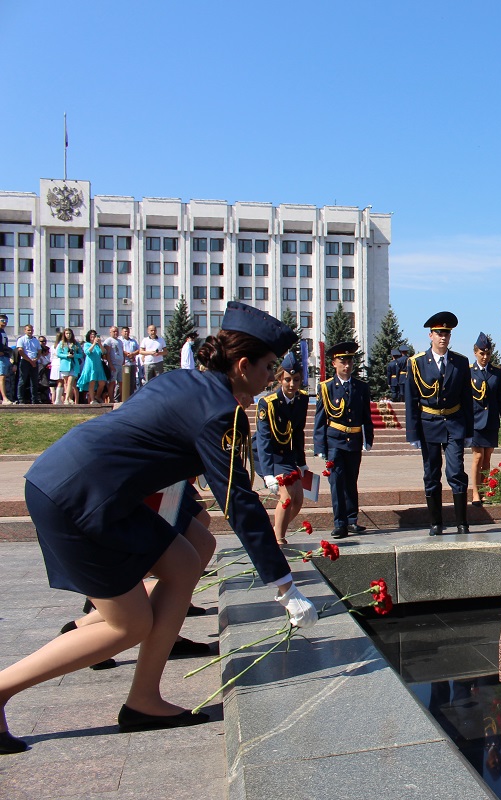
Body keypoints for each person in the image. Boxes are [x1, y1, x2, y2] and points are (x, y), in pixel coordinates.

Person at [0, 301, 317, 754]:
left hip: (88, 484)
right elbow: (239, 502)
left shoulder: (185, 381)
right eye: (269, 368)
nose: (272, 378)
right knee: (126, 627)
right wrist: (285, 586)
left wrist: (180, 523)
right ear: (243, 365)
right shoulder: (219, 412)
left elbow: (157, 458)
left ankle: (144, 698)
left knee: (189, 555)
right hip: (78, 498)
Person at [406, 312, 473, 536]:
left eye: (447, 333)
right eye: (439, 333)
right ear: (430, 335)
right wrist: (413, 432)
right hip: (429, 423)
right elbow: (411, 399)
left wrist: (469, 432)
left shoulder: (461, 362)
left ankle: (462, 522)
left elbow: (466, 399)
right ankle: (436, 523)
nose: (443, 337)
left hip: (454, 422)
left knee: (456, 472)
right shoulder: (416, 363)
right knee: (432, 473)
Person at [313, 342, 373, 540]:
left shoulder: (361, 387)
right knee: (336, 481)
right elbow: (320, 419)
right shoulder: (326, 387)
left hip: (354, 440)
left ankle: (352, 519)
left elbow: (366, 416)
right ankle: (340, 523)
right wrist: (320, 446)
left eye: (349, 361)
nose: (347, 365)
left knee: (351, 481)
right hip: (335, 441)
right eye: (342, 361)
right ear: (334, 363)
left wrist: (368, 438)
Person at [257, 352, 311, 547]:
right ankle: (278, 540)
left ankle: (275, 531)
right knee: (286, 497)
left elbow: (298, 432)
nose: (292, 384)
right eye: (287, 379)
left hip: (286, 454)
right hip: (269, 454)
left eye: (296, 380)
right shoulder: (268, 403)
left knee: (298, 499)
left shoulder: (301, 400)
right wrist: (267, 474)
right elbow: (263, 439)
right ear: (280, 379)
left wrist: (302, 462)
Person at [468, 333, 501, 507]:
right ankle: (476, 493)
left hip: (491, 421)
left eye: (488, 354)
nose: (485, 357)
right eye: (481, 353)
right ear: (475, 352)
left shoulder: (496, 373)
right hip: (475, 421)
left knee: (487, 457)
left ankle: (485, 490)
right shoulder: (468, 372)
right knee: (477, 456)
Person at [78, 330, 108, 404]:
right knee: (92, 382)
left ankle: (97, 396)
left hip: (98, 366)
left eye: (94, 335)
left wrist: (100, 344)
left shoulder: (98, 345)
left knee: (102, 383)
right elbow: (87, 352)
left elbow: (104, 352)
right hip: (90, 365)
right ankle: (92, 400)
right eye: (91, 335)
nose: (93, 336)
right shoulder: (87, 344)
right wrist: (94, 343)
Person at [55, 328, 81, 404]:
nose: (68, 335)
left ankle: (66, 399)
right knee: (66, 383)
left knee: (70, 381)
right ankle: (69, 398)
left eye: (69, 333)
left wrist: (74, 355)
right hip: (65, 365)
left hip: (74, 365)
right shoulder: (62, 343)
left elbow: (80, 354)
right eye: (67, 334)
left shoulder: (76, 343)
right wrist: (67, 355)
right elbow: (58, 354)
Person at [15, 324, 38, 404]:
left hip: (34, 361)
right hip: (25, 361)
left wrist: (35, 359)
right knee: (22, 380)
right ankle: (20, 399)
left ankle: (34, 399)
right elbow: (20, 351)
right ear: (25, 331)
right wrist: (30, 361)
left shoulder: (35, 340)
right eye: (28, 330)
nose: (30, 332)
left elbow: (39, 351)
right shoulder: (21, 339)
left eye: (31, 330)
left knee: (34, 381)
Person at [103, 326, 125, 402]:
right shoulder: (108, 341)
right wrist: (111, 364)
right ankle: (111, 399)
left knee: (121, 382)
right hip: (113, 364)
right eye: (114, 331)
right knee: (112, 382)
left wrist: (123, 362)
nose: (116, 333)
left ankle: (122, 398)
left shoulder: (120, 341)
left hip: (120, 365)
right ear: (110, 332)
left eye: (116, 331)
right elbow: (107, 354)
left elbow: (122, 352)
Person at [0, 314, 11, 404]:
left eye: (6, 321)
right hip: (1, 357)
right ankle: (4, 398)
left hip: (5, 356)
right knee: (2, 377)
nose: (4, 323)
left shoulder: (3, 331)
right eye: (2, 320)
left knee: (3, 377)